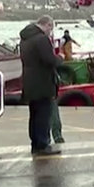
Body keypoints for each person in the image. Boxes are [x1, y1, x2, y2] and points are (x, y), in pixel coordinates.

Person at [20, 15, 62, 156]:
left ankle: (35, 144)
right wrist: (60, 59)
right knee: (43, 115)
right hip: (42, 82)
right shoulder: (41, 39)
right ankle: (43, 145)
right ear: (47, 25)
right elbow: (49, 59)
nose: (50, 32)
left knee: (34, 115)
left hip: (29, 82)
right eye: (51, 28)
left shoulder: (25, 38)